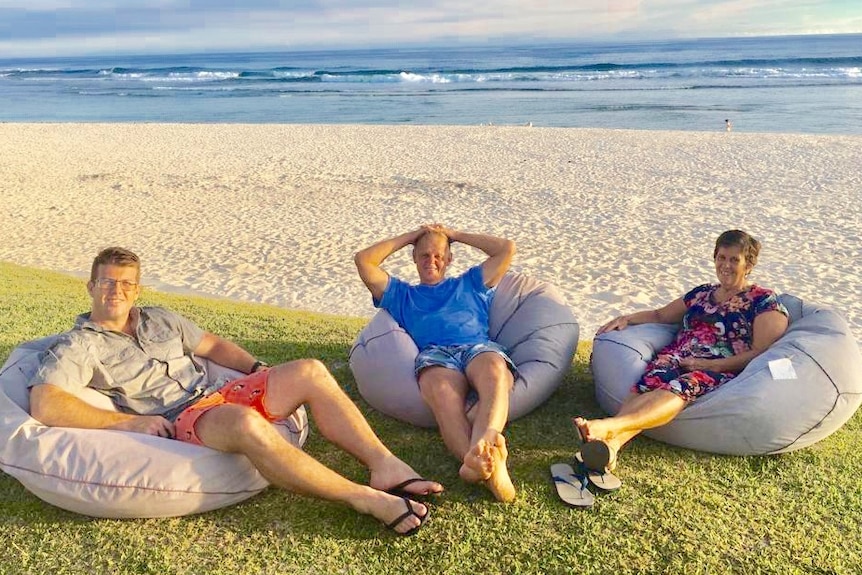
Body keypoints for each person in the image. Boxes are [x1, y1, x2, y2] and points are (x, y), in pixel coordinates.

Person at [28, 247, 441, 535]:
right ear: (90, 286)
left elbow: (213, 346)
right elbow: (45, 402)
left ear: (137, 290)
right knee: (245, 422)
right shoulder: (78, 344)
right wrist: (130, 421)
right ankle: (363, 498)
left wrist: (257, 369)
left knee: (310, 370)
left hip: (224, 390)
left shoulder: (159, 319)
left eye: (125, 284)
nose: (115, 291)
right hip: (187, 416)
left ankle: (384, 464)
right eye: (107, 283)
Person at [576, 230, 789, 471]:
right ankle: (612, 446)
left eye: (734, 260)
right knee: (648, 383)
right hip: (677, 355)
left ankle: (609, 426)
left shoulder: (764, 301)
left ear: (748, 264)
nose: (725, 265)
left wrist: (709, 365)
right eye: (721, 258)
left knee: (680, 387)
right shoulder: (702, 293)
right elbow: (660, 314)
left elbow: (761, 351)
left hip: (719, 366)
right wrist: (627, 318)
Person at [354, 224, 518, 502]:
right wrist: (411, 236)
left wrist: (454, 235)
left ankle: (478, 455)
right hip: (436, 355)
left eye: (439, 256)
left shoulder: (470, 282)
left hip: (476, 347)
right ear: (414, 258)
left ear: (449, 259)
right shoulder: (402, 294)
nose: (432, 261)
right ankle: (486, 468)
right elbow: (364, 260)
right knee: (442, 394)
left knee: (494, 372)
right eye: (425, 255)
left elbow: (506, 249)